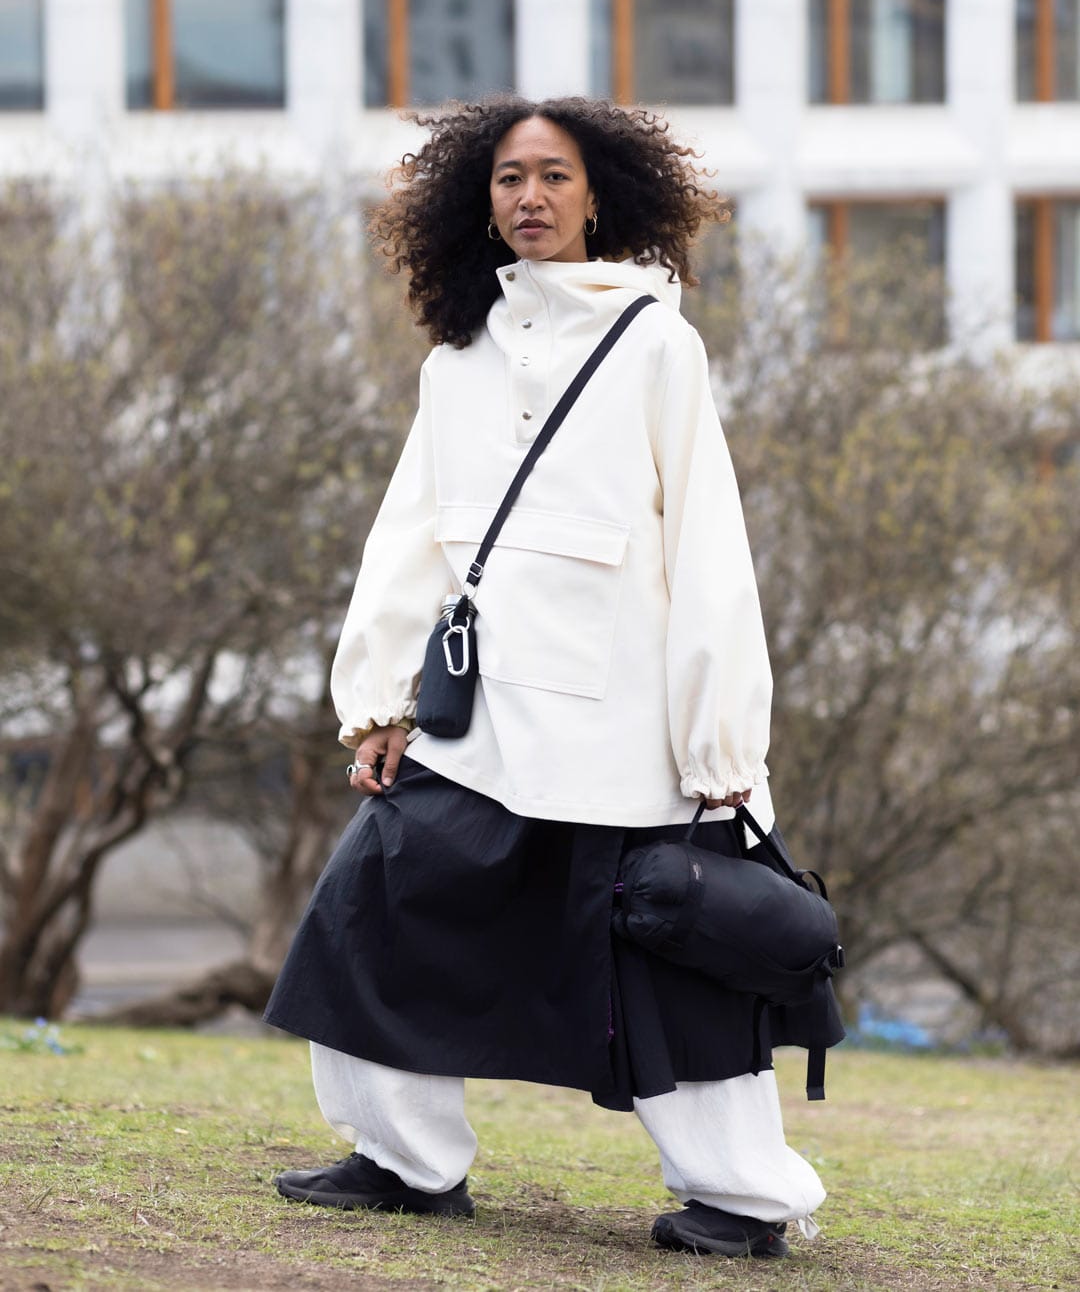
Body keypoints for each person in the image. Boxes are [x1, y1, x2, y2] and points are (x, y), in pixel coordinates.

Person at [264, 97, 831, 1259]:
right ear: (481, 199)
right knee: (375, 908)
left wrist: (720, 741)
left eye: (554, 176)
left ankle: (743, 1201)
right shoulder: (458, 356)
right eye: (510, 177)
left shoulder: (658, 344)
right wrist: (380, 701)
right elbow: (414, 533)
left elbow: (709, 551)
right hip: (480, 722)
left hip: (629, 729)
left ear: (597, 196)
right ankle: (405, 1162)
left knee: (671, 956)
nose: (530, 196)